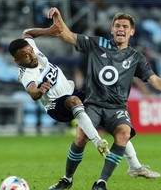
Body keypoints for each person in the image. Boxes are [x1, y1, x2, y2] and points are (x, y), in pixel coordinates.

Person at [46, 7, 161, 190]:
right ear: (111, 29)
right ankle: (67, 179)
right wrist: (59, 17)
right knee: (81, 137)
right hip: (93, 104)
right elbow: (67, 35)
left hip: (117, 108)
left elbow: (154, 80)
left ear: (132, 31)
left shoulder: (136, 57)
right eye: (117, 25)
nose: (121, 29)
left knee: (124, 134)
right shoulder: (97, 44)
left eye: (125, 26)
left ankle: (101, 183)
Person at [8, 24, 110, 158]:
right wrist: (39, 90)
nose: (32, 56)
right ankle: (98, 142)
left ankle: (134, 164)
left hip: (71, 92)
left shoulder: (34, 53)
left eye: (31, 51)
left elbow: (27, 33)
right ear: (17, 61)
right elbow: (32, 93)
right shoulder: (25, 73)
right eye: (26, 56)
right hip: (56, 106)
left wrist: (48, 31)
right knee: (74, 101)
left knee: (105, 107)